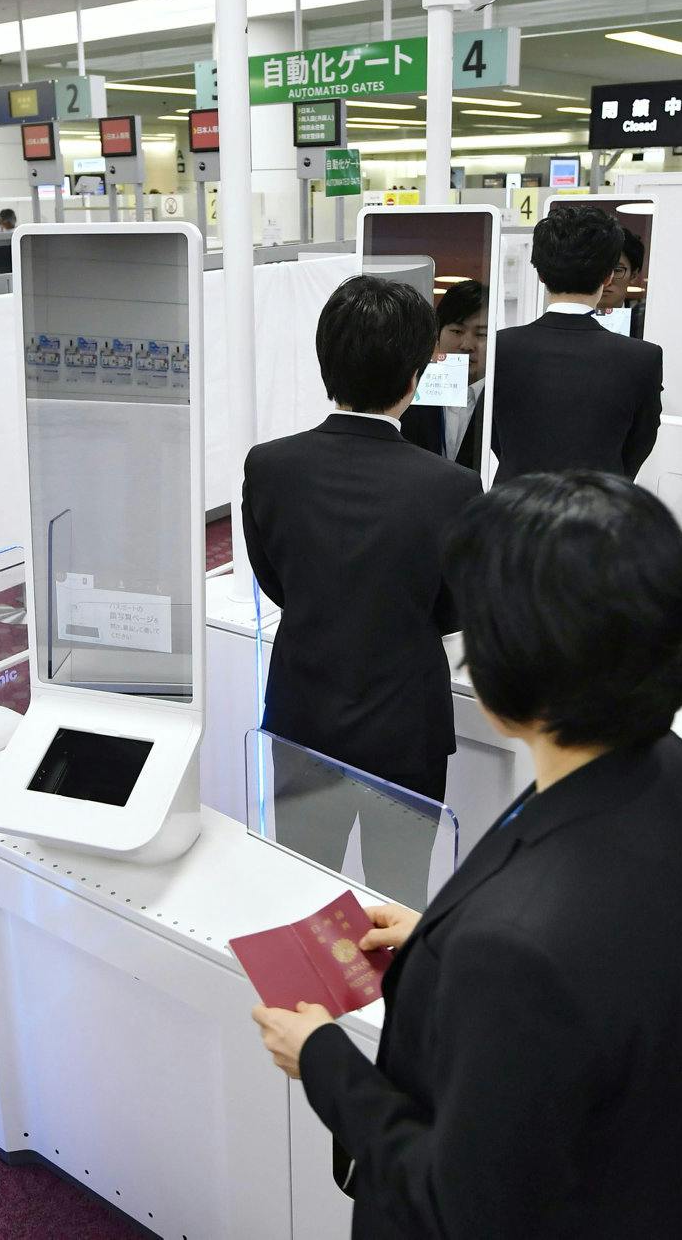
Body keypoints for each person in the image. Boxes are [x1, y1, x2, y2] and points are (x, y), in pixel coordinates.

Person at [253, 473, 682, 1240]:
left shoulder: (517, 952)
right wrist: (441, 936)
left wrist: (322, 1062)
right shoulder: (665, 771)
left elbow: (456, 1206)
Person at [242, 277, 482, 898]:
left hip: (302, 709)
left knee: (296, 883)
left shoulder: (268, 466)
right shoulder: (451, 488)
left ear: (327, 363)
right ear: (415, 376)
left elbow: (274, 580)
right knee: (398, 894)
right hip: (405, 720)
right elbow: (455, 607)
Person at [491, 204, 662, 480]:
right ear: (607, 277)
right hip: (599, 507)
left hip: (513, 505)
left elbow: (491, 432)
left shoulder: (500, 347)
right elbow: (639, 442)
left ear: (541, 274)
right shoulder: (642, 358)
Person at [401, 280, 488, 470]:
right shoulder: (410, 387)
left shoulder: (503, 396)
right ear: (437, 334)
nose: (467, 345)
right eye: (457, 331)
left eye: (481, 334)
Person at [598, 226, 647, 337]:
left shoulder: (645, 327)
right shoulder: (569, 323)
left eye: (617, 270)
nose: (607, 280)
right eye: (599, 269)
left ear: (633, 275)